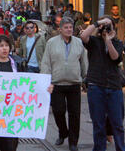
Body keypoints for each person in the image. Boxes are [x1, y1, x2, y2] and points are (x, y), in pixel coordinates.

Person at [0, 35, 54, 151]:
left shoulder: (19, 64)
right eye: (1, 46)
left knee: (10, 147)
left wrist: (45, 88)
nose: (4, 49)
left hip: (12, 115)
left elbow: (31, 84)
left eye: (6, 46)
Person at [41, 17, 88, 151]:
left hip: (74, 83)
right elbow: (46, 62)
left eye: (70, 27)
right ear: (60, 29)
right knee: (58, 111)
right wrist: (45, 80)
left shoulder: (78, 42)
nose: (69, 30)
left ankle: (73, 142)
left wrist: (86, 77)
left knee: (75, 114)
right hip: (57, 83)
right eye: (66, 27)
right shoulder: (51, 42)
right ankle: (63, 132)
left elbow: (84, 61)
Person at [80, 16, 125, 151]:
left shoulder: (118, 42)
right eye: (104, 25)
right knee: (98, 124)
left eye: (109, 25)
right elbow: (84, 36)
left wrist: (108, 40)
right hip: (96, 86)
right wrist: (98, 23)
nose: (106, 28)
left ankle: (121, 148)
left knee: (117, 124)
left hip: (114, 87)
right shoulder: (93, 41)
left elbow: (115, 58)